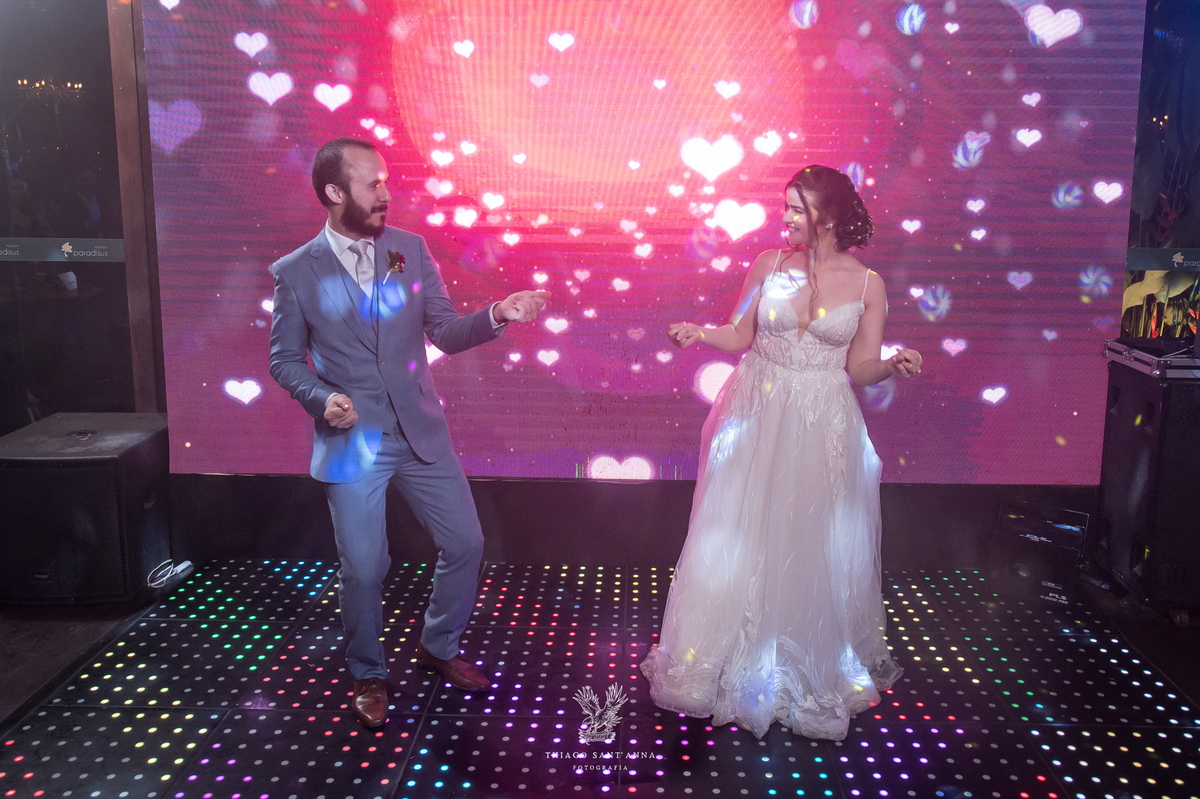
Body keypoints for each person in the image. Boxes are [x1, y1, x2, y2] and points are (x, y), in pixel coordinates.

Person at [269, 137, 548, 729]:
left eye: (386, 181)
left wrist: (498, 313)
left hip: (419, 431)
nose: (385, 193)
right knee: (364, 568)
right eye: (372, 184)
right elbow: (285, 361)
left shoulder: (408, 250)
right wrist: (322, 399)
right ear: (334, 192)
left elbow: (443, 330)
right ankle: (368, 673)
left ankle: (438, 646)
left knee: (466, 544)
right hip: (353, 441)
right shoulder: (295, 272)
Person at [640, 165, 921, 741]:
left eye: (797, 208)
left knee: (806, 539)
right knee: (737, 531)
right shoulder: (769, 264)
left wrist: (892, 365)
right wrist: (700, 334)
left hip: (821, 421)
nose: (786, 217)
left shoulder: (868, 285)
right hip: (757, 409)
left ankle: (796, 665)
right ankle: (714, 659)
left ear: (829, 215)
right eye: (785, 205)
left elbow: (861, 367)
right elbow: (739, 334)